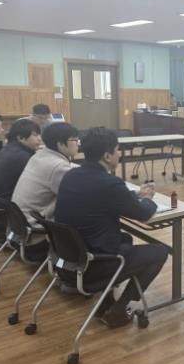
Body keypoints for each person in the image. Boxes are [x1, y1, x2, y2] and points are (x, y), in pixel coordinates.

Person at [54, 128, 168, 328]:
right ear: (107, 156)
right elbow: (143, 214)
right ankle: (118, 311)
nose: (119, 154)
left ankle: (107, 301)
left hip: (68, 261)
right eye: (117, 150)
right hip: (92, 265)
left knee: (125, 239)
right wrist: (148, 199)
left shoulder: (72, 175)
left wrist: (135, 195)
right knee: (159, 252)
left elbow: (105, 197)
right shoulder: (109, 183)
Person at [12, 121, 79, 230]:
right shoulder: (58, 167)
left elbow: (68, 167)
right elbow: (77, 196)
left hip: (20, 220)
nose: (79, 143)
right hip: (35, 224)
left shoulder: (40, 155)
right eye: (74, 140)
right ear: (60, 144)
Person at [0, 119, 42, 201]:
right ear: (20, 138)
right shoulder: (22, 157)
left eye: (39, 135)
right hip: (10, 203)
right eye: (35, 135)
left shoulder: (8, 149)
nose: (40, 139)